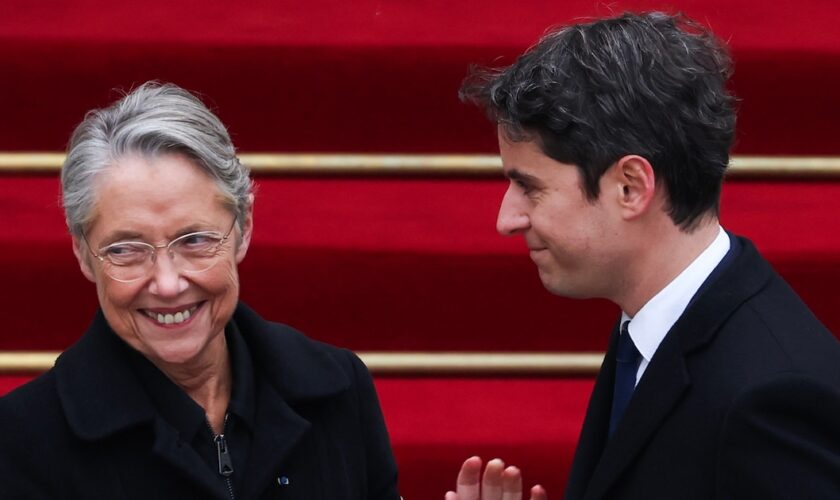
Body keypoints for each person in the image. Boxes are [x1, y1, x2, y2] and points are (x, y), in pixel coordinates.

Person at [448, 11, 840, 499]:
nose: (506, 219)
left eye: (530, 186)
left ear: (631, 187)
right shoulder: (653, 331)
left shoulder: (769, 399)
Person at [0, 82, 400, 499]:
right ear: (83, 254)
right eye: (127, 249)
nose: (168, 283)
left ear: (243, 228)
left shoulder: (338, 388)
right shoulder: (21, 442)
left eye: (194, 240)